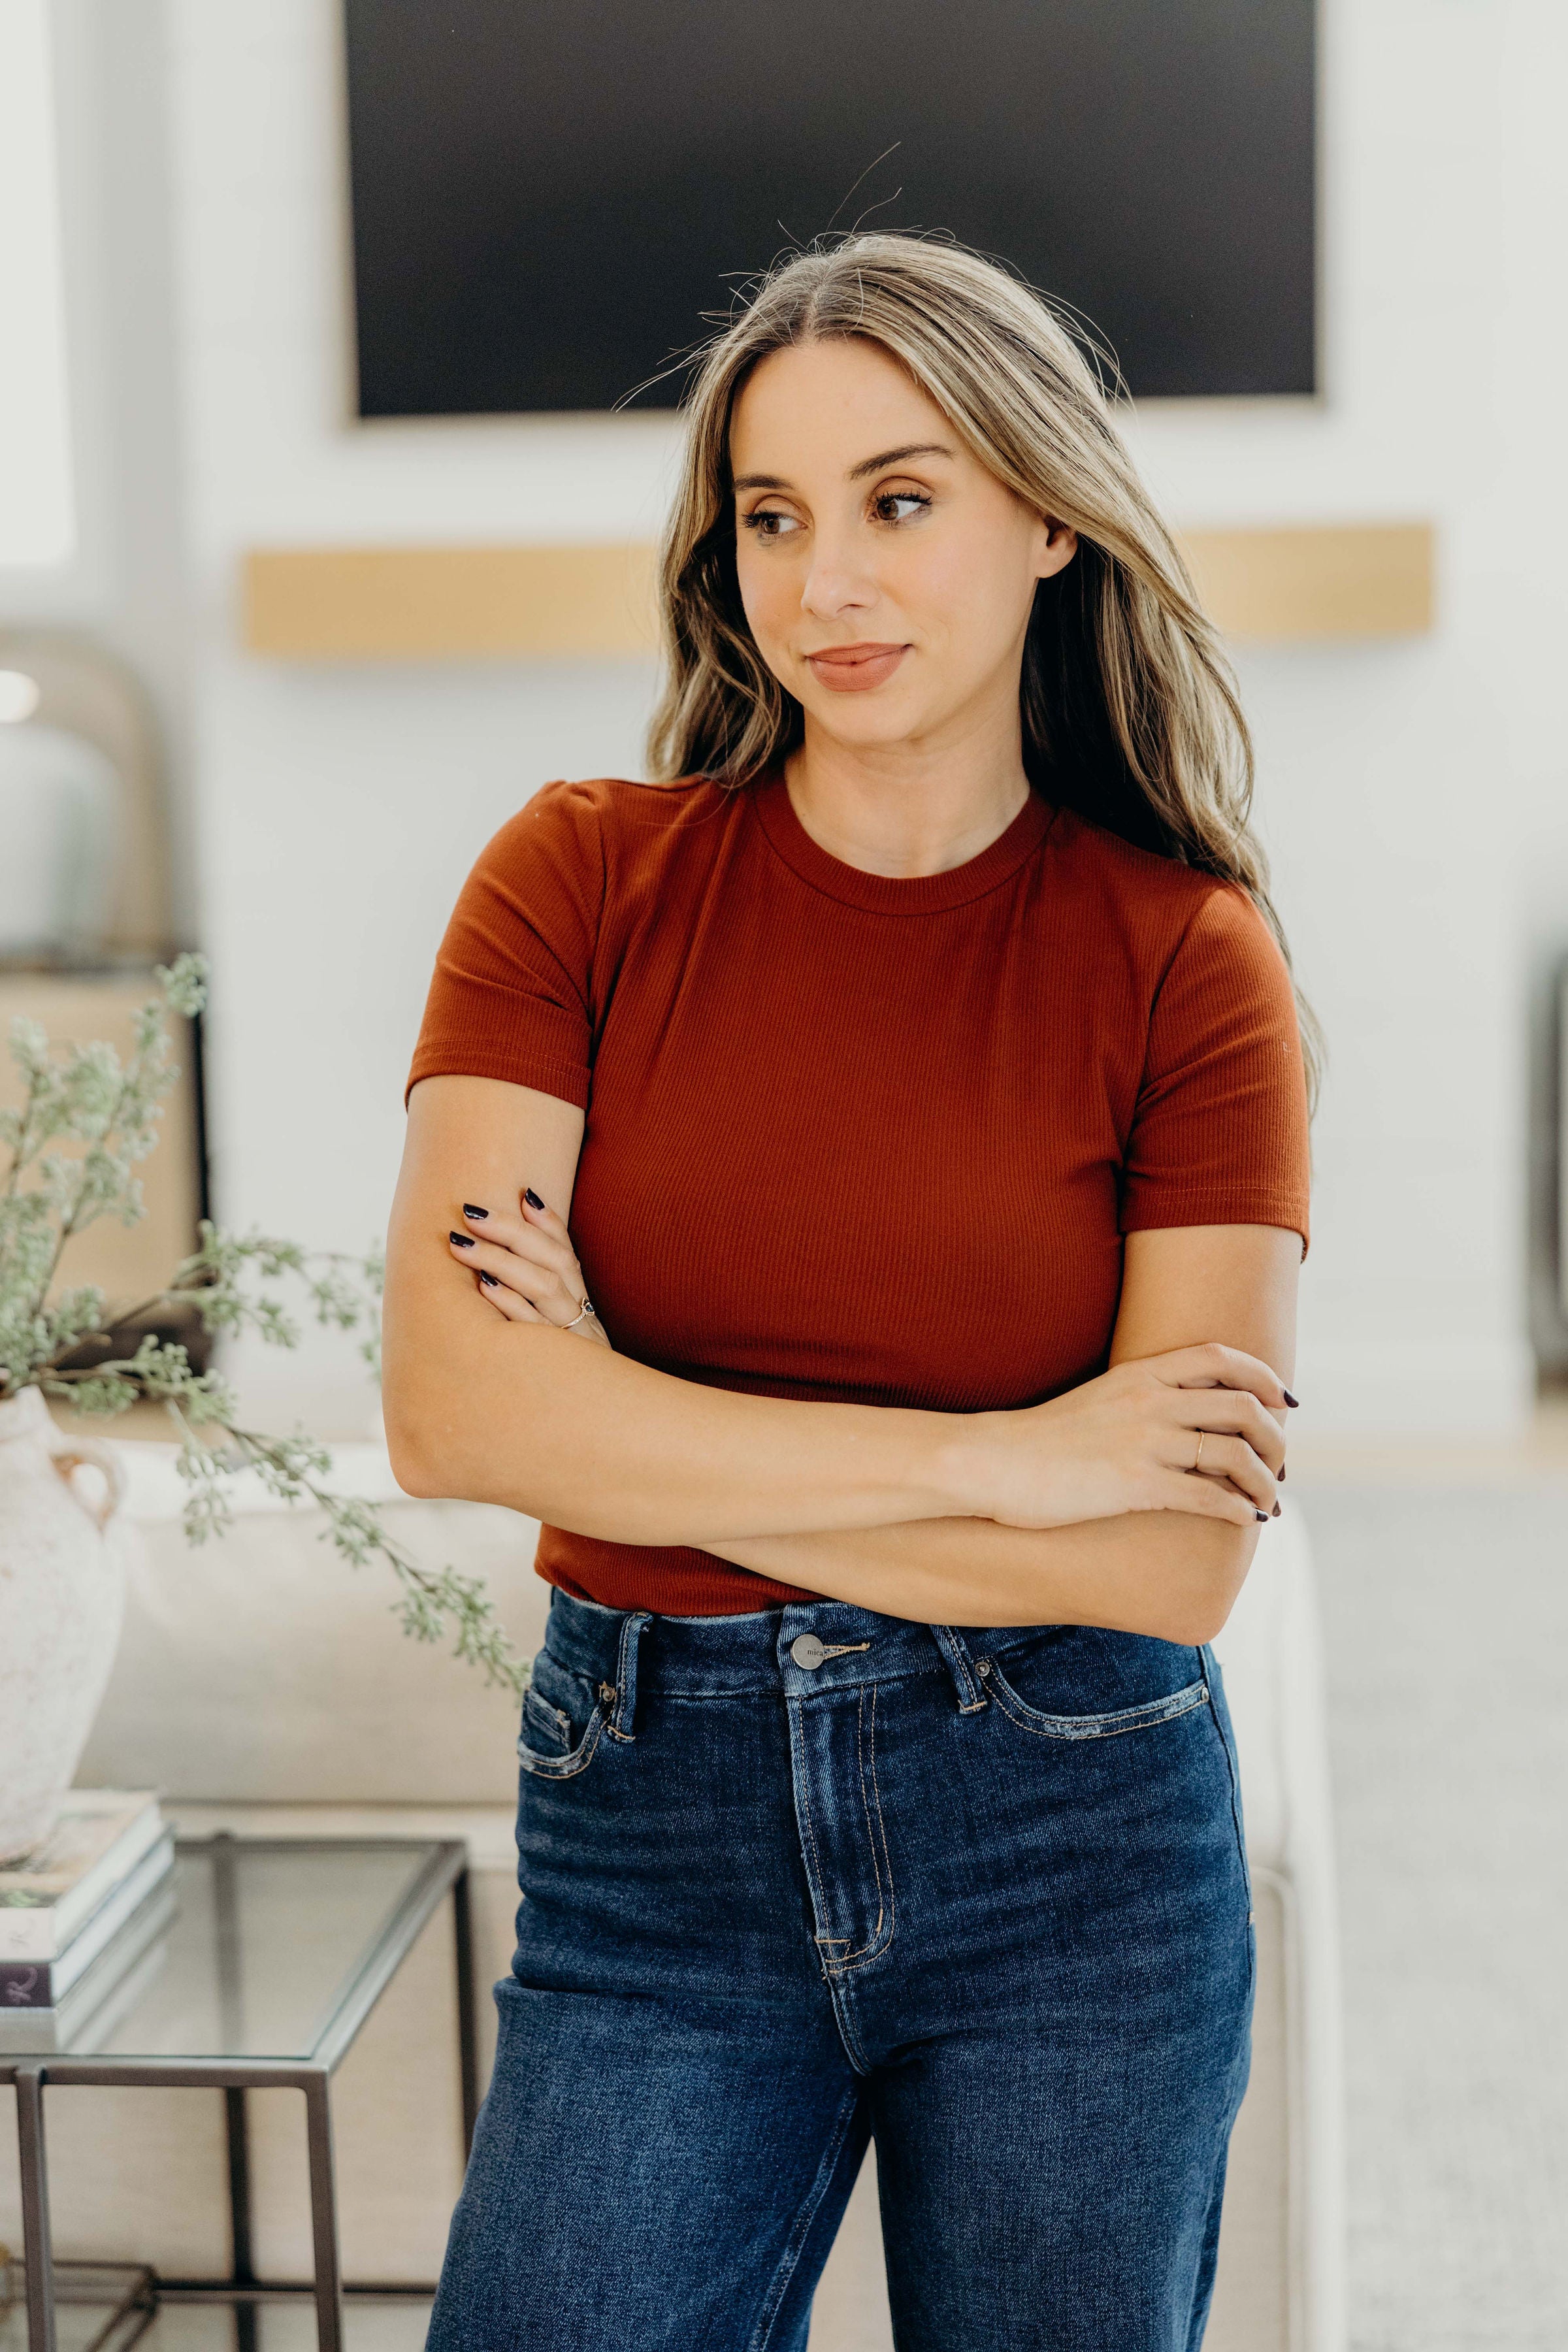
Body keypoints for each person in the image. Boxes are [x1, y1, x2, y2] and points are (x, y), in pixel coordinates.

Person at [383, 233, 1311, 2352]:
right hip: (654, 1834)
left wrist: (618, 1416)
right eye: (774, 519)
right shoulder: (577, 879)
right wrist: (1017, 1463)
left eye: (901, 501)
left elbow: (1169, 1561)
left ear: (1048, 513)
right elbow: (452, 1415)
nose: (826, 585)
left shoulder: (1188, 960)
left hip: (1071, 1834)